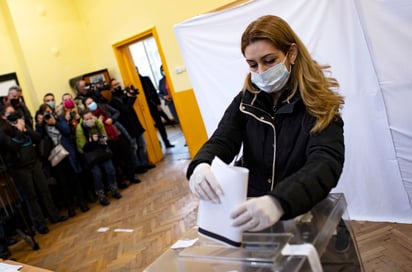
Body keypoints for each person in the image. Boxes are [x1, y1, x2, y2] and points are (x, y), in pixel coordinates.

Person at [186, 15, 345, 233]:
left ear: (291, 53)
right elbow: (223, 139)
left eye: (269, 61)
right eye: (252, 64)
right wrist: (201, 164)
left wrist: (278, 201)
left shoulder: (319, 104)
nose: (260, 72)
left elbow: (326, 162)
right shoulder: (246, 99)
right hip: (253, 213)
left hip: (302, 211)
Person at [0, 105, 68, 234]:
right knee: (31, 197)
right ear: (3, 116)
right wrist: (18, 131)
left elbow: (38, 138)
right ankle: (39, 224)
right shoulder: (3, 131)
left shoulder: (22, 124)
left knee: (44, 190)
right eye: (9, 113)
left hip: (34, 162)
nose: (13, 115)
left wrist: (26, 129)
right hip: (19, 168)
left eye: (14, 112)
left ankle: (54, 216)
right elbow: (13, 147)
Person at [76, 109, 122, 206]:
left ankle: (114, 189)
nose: (90, 120)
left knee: (110, 169)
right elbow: (82, 147)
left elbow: (104, 135)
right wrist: (92, 141)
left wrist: (101, 139)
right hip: (91, 154)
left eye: (90, 118)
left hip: (102, 150)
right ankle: (101, 195)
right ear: (83, 119)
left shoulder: (98, 122)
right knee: (97, 174)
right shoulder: (80, 129)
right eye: (87, 119)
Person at [109, 79, 155, 173]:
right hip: (127, 127)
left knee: (142, 145)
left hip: (135, 124)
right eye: (115, 85)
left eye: (118, 83)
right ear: (111, 88)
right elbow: (126, 109)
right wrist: (131, 98)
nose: (117, 85)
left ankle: (143, 163)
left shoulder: (124, 95)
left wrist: (131, 95)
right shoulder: (113, 100)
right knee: (134, 147)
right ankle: (137, 166)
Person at [137, 68, 174, 148]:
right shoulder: (133, 82)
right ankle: (156, 143)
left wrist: (158, 104)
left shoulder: (146, 79)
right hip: (141, 108)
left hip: (152, 105)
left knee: (160, 123)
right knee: (149, 126)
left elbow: (153, 90)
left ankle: (166, 142)